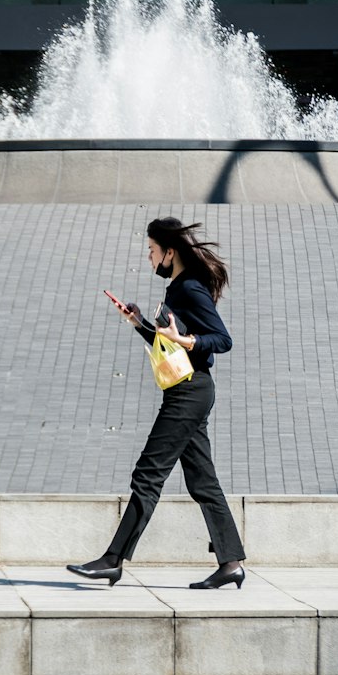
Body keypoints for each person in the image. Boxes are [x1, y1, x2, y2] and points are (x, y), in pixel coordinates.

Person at [67, 216, 246, 590]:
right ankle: (230, 563)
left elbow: (221, 339)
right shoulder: (178, 287)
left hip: (188, 392)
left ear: (170, 251)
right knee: (202, 480)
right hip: (189, 387)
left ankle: (113, 560)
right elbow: (169, 343)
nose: (150, 259)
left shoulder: (190, 289)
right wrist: (140, 324)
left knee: (148, 474)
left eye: (152, 251)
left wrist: (186, 340)